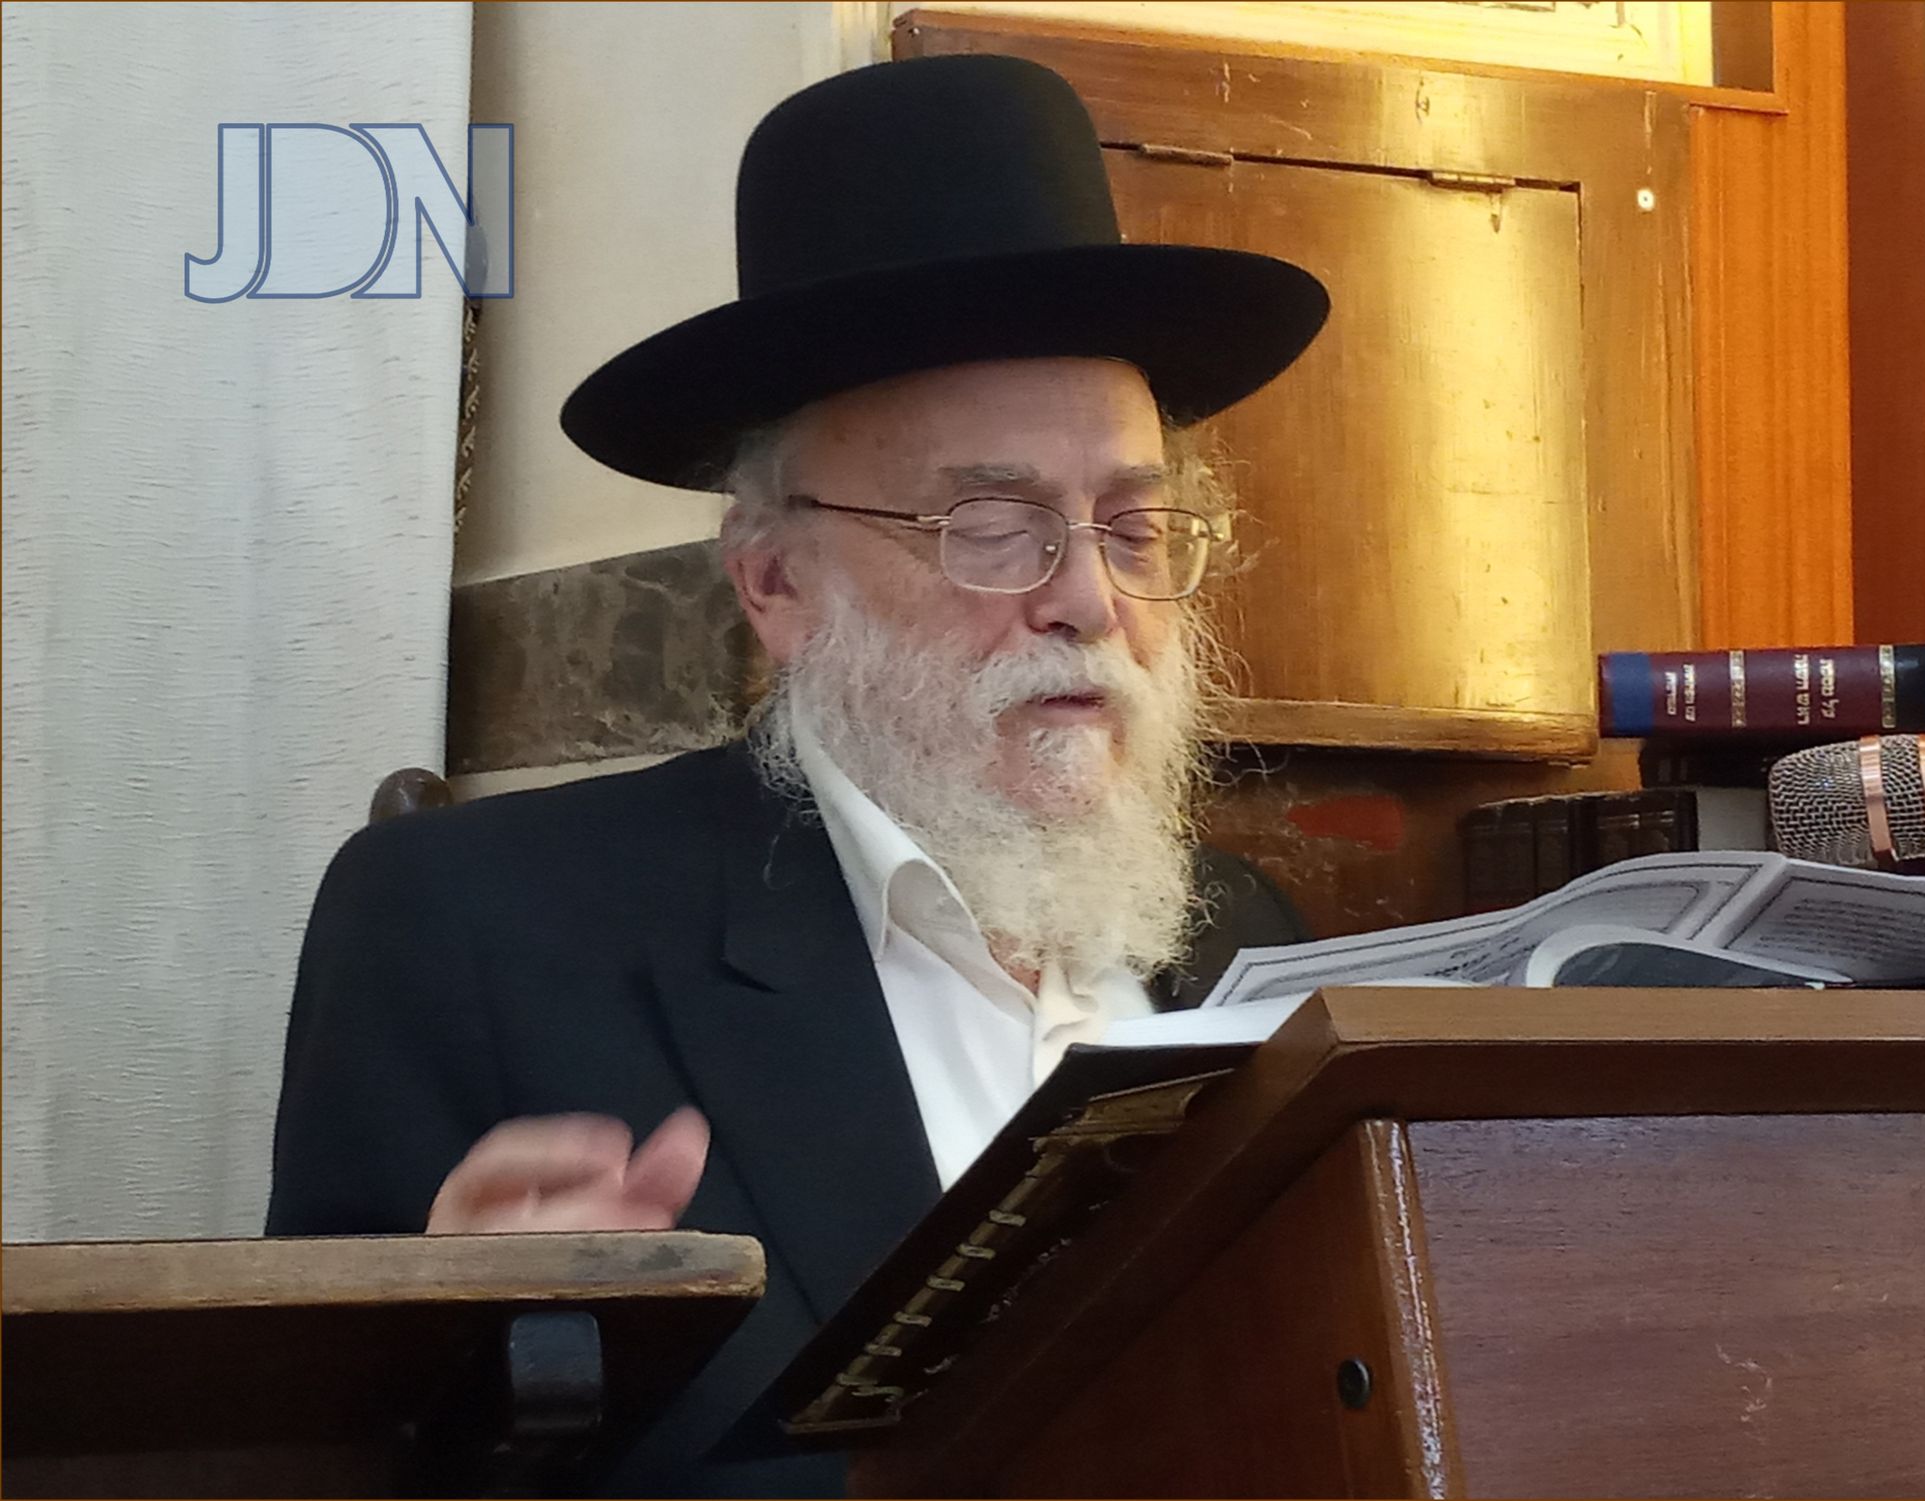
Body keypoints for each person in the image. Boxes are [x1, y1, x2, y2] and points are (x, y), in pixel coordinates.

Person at [266, 53, 1327, 1496]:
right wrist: (452, 1364)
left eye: (1133, 529)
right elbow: (326, 1462)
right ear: (775, 582)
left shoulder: (1244, 938)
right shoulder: (473, 930)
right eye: (991, 527)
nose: (1089, 599)